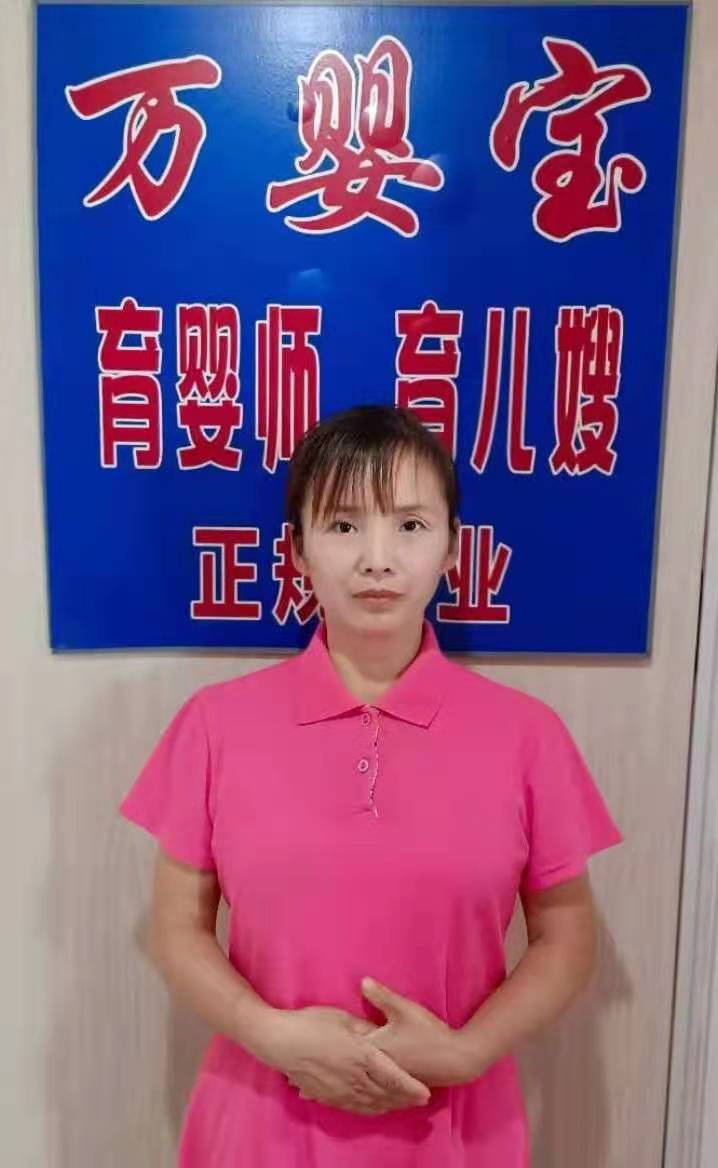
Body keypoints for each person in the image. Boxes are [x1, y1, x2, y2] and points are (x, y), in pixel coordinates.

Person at [119, 403, 622, 1166]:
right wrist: (272, 1035)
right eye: (344, 525)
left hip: (454, 1129)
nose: (377, 559)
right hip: (260, 1123)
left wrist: (467, 1051)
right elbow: (176, 928)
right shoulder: (216, 725)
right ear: (297, 551)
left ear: (453, 547)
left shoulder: (528, 735)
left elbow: (567, 936)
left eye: (411, 525)